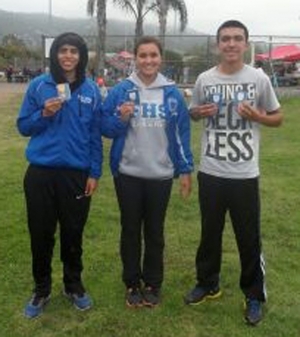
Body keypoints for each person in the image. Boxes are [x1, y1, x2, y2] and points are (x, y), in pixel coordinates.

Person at [184, 20, 283, 325]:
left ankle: (253, 295)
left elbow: (277, 118)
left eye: (236, 39)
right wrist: (196, 113)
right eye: (225, 39)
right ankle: (207, 283)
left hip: (244, 173)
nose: (230, 44)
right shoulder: (204, 79)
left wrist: (258, 116)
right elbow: (194, 113)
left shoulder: (258, 78)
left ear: (245, 43)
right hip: (211, 171)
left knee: (248, 237)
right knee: (209, 233)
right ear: (218, 44)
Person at [102, 36, 193, 308]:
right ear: (135, 58)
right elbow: (105, 126)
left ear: (160, 58)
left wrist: (185, 169)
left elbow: (181, 135)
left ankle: (153, 283)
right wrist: (121, 118)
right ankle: (131, 283)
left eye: (153, 55)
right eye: (143, 55)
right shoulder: (122, 90)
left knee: (154, 232)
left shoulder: (172, 93)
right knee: (130, 230)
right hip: (128, 174)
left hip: (160, 175)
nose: (148, 60)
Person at [17, 32, 103, 319]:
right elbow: (23, 127)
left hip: (76, 175)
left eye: (74, 51)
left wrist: (94, 172)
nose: (68, 56)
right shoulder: (39, 86)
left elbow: (94, 136)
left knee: (73, 233)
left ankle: (73, 285)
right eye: (63, 50)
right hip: (41, 173)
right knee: (41, 234)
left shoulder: (91, 90)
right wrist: (43, 113)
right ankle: (42, 289)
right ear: (54, 54)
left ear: (81, 56)